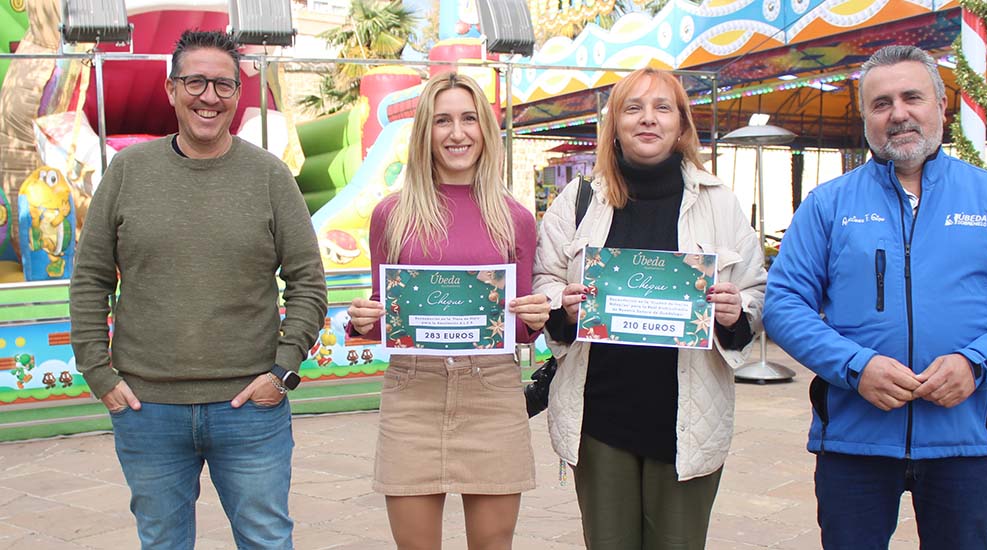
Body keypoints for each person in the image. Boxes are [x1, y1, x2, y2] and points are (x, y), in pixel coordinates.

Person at [763, 45, 987, 550]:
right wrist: (856, 367)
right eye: (881, 103)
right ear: (865, 117)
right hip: (854, 438)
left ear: (941, 106)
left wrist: (976, 364)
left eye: (912, 97)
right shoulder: (828, 205)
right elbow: (785, 304)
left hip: (965, 437)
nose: (898, 113)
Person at [69, 30, 328, 549]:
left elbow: (308, 283)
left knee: (266, 540)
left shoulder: (270, 176)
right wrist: (98, 373)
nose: (209, 96)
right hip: (147, 408)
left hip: (251, 407)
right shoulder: (127, 171)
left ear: (237, 94)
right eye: (195, 82)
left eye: (224, 85)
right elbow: (91, 278)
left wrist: (282, 371)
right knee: (162, 542)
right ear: (170, 89)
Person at [532, 67, 768, 549]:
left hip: (686, 421)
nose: (648, 119)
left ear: (681, 124)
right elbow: (546, 282)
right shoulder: (578, 200)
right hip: (600, 420)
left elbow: (756, 293)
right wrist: (564, 307)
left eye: (662, 108)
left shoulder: (719, 203)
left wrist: (734, 311)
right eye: (633, 108)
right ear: (614, 123)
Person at [345, 71, 550, 550]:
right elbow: (384, 317)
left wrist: (536, 318)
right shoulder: (391, 215)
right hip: (412, 393)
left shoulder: (515, 217)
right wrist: (362, 320)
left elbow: (519, 328)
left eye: (468, 119)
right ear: (425, 131)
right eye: (442, 121)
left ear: (485, 129)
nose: (456, 133)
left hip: (492, 393)